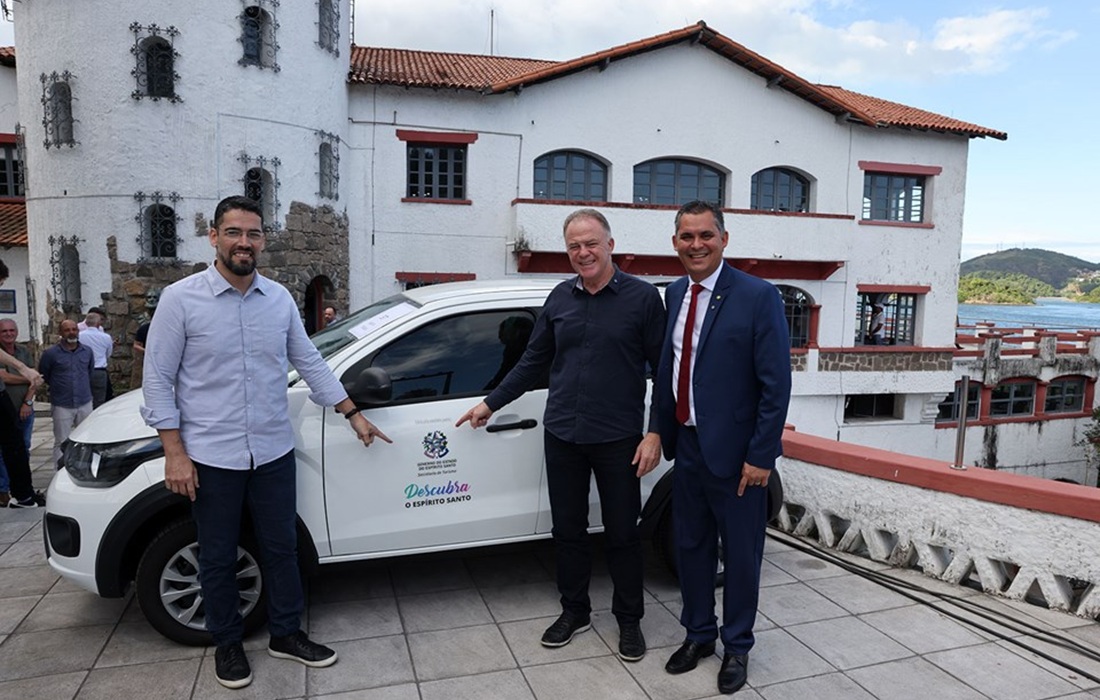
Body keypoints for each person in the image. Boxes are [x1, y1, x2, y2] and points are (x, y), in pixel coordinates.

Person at [141, 195, 392, 690]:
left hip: (273, 451)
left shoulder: (277, 300)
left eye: (253, 234)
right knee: (217, 554)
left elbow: (311, 361)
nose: (244, 242)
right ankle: (228, 643)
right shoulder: (181, 299)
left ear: (262, 241)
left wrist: (352, 413)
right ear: (214, 237)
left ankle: (286, 634)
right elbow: (157, 380)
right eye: (234, 232)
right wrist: (174, 453)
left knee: (281, 548)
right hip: (211, 456)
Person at [456, 209, 665, 662]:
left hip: (618, 439)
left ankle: (629, 620)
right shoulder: (559, 298)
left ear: (610, 245)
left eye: (591, 243)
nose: (583, 253)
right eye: (574, 246)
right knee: (567, 531)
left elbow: (665, 371)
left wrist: (655, 433)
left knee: (622, 534)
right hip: (563, 435)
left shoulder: (643, 298)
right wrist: (491, 403)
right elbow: (532, 361)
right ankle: (575, 611)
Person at [657, 201, 791, 695]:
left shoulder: (758, 296)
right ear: (675, 242)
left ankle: (737, 647)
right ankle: (698, 634)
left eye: (705, 235)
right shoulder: (674, 292)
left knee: (740, 556)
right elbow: (669, 372)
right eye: (687, 236)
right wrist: (658, 430)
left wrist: (761, 456)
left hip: (738, 456)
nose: (696, 245)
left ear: (724, 239)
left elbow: (775, 384)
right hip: (688, 445)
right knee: (690, 547)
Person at [0, 259, 47, 508]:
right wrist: (23, 369)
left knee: (15, 444)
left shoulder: (23, 350)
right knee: (14, 444)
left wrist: (25, 370)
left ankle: (24, 495)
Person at [40, 319, 95, 467]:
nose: (71, 333)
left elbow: (89, 372)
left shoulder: (87, 351)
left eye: (74, 329)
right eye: (67, 330)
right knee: (61, 440)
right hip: (62, 403)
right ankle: (60, 471)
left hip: (84, 401)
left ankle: (84, 468)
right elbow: (45, 374)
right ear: (60, 333)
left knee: (87, 438)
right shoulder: (50, 354)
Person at [0, 319, 36, 506]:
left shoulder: (23, 351)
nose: (8, 334)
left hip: (11, 401)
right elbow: (4, 376)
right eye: (4, 331)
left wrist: (28, 401)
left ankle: (23, 494)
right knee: (10, 448)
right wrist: (26, 373)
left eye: (11, 330)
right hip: (5, 400)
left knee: (19, 447)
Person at [79, 311, 114, 407]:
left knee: (83, 399)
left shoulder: (80, 336)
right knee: (99, 400)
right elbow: (108, 353)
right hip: (99, 370)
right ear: (98, 324)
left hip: (83, 370)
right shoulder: (106, 337)